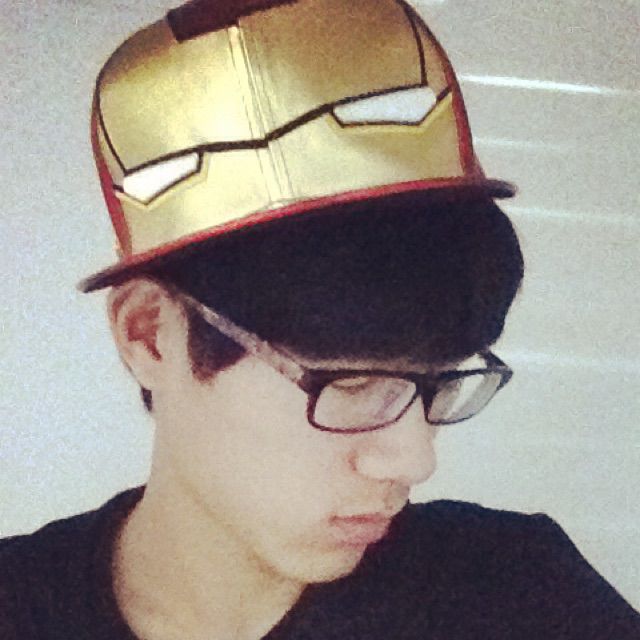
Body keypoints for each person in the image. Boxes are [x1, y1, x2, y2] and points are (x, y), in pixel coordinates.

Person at [1, 0, 638, 638]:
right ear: (151, 335)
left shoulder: (515, 592)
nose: (415, 460)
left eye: (439, 383)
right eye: (352, 385)